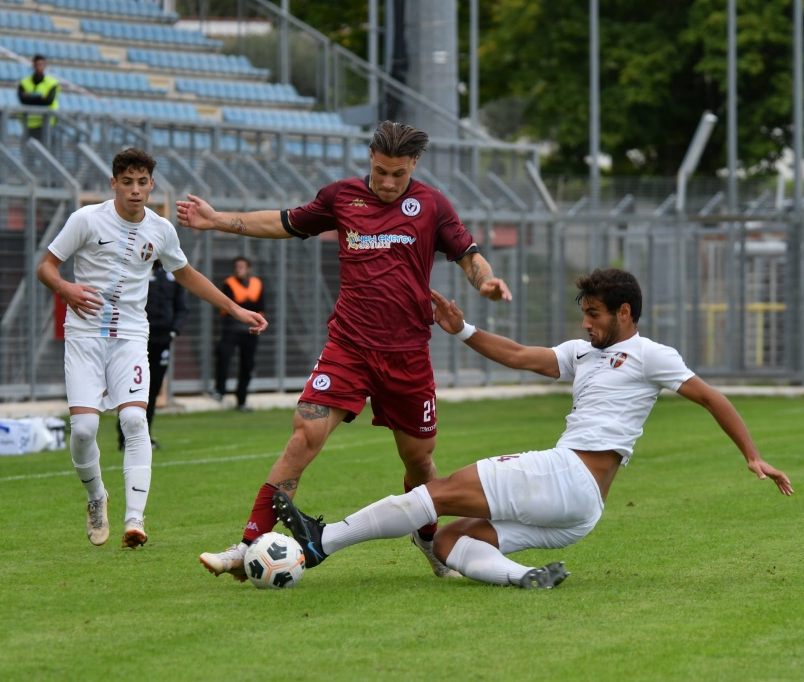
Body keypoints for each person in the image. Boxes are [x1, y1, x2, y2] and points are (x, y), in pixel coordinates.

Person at [272, 268, 794, 589]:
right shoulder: (583, 353)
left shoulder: (651, 355)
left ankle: (324, 540)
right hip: (581, 513)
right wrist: (465, 330)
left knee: (435, 493)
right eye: (584, 314)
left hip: (569, 476)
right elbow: (521, 355)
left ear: (625, 312)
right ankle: (525, 577)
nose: (586, 324)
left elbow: (711, 397)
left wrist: (752, 455)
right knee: (451, 542)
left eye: (594, 314)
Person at [177, 120, 512, 582]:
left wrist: (486, 284)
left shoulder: (432, 205)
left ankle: (428, 537)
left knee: (419, 462)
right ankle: (249, 544)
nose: (388, 182)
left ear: (413, 164)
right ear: (369, 160)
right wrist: (217, 220)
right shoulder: (341, 197)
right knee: (303, 438)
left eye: (397, 173)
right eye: (380, 171)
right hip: (349, 346)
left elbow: (469, 256)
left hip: (407, 355)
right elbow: (285, 221)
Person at [36, 147, 267, 550]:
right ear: (114, 184)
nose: (135, 190)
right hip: (85, 336)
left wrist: (233, 308)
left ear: (151, 185)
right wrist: (64, 287)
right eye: (127, 182)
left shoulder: (161, 230)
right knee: (85, 429)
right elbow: (46, 266)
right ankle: (96, 498)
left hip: (129, 337)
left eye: (142, 182)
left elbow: (187, 274)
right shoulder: (86, 219)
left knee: (134, 422)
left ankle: (134, 520)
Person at [116, 259, 188, 452]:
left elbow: (181, 306)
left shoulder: (173, 275)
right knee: (133, 387)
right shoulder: (137, 270)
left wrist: (174, 331)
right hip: (139, 338)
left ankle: (144, 435)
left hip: (163, 339)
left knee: (153, 389)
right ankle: (125, 436)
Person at [211, 256, 265, 411]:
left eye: (242, 266)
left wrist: (244, 310)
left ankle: (242, 400)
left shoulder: (257, 284)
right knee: (224, 357)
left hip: (250, 329)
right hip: (231, 328)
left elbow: (259, 306)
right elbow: (228, 307)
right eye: (237, 266)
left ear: (248, 269)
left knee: (247, 364)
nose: (238, 269)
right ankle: (219, 390)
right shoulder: (229, 283)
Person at [17, 54, 58, 143]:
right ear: (34, 65)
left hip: (46, 123)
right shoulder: (24, 82)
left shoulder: (52, 83)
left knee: (46, 151)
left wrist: (29, 96)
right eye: (38, 64)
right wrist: (41, 97)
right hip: (29, 123)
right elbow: (23, 100)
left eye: (42, 64)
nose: (40, 67)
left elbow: (48, 101)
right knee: (28, 153)